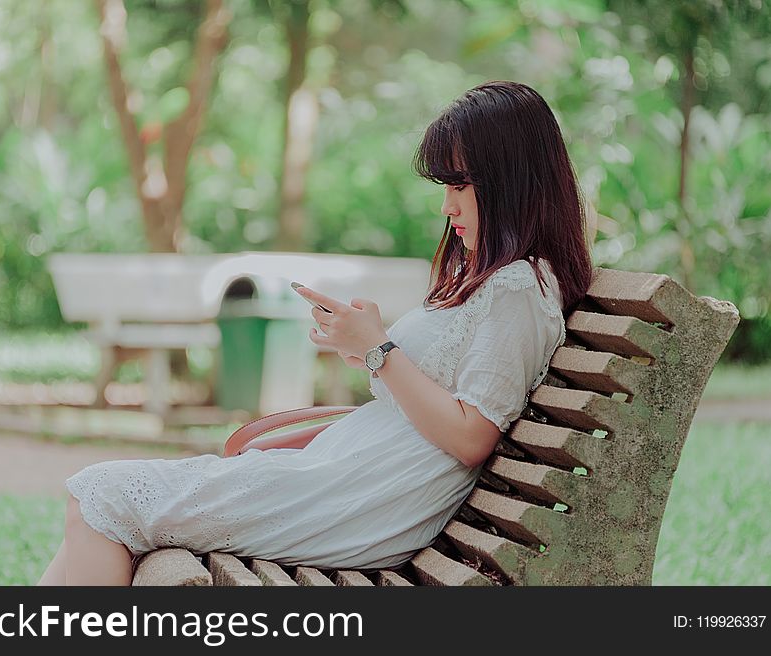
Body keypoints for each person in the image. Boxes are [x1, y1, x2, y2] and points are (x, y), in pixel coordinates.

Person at [37, 80, 593, 586]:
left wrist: (378, 349)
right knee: (96, 496)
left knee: (101, 494)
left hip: (361, 500)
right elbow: (435, 394)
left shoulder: (518, 288)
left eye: (461, 185)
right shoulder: (501, 280)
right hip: (342, 479)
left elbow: (473, 436)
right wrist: (367, 345)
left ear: (512, 181)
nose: (447, 207)